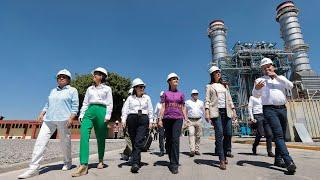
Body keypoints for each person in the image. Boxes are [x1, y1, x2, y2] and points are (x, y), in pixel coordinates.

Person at [18, 69, 79, 179]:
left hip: (64, 119)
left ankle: (67, 162)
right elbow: (47, 104)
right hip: (49, 119)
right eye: (59, 76)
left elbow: (75, 106)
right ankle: (33, 168)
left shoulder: (72, 90)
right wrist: (42, 113)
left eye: (63, 76)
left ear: (68, 79)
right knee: (40, 141)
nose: (61, 78)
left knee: (65, 143)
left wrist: (71, 118)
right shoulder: (53, 91)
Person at [252, 57, 296, 174]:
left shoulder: (280, 78)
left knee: (280, 135)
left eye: (269, 66)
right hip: (269, 110)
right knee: (279, 135)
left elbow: (290, 86)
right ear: (262, 69)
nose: (267, 68)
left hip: (282, 108)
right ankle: (288, 161)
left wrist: (276, 76)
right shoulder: (260, 80)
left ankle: (278, 159)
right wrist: (257, 89)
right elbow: (255, 95)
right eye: (265, 67)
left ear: (273, 66)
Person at [72, 67, 113, 177]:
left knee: (100, 137)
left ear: (101, 76)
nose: (93, 76)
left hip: (102, 111)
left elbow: (109, 103)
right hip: (89, 111)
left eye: (96, 74)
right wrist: (81, 114)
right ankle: (83, 164)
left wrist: (108, 115)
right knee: (84, 134)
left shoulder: (107, 89)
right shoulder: (89, 89)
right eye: (94, 74)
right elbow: (85, 103)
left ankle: (100, 160)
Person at [205, 66, 237, 170]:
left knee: (228, 133)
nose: (219, 74)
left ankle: (224, 152)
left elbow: (230, 99)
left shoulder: (224, 86)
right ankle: (221, 159)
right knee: (219, 134)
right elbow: (207, 100)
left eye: (219, 72)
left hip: (226, 111)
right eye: (216, 72)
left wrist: (233, 110)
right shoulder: (209, 86)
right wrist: (207, 112)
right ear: (212, 75)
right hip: (216, 112)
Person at [121, 78, 153, 173]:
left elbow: (150, 110)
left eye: (143, 86)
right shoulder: (130, 98)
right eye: (140, 86)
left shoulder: (147, 98)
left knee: (138, 141)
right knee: (134, 140)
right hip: (132, 119)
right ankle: (137, 160)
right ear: (135, 88)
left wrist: (151, 121)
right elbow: (125, 109)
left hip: (143, 119)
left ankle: (134, 163)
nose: (142, 88)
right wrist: (123, 120)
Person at [158, 73, 187, 174]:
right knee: (169, 141)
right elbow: (163, 107)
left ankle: (174, 164)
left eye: (177, 79)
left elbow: (183, 107)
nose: (176, 80)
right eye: (173, 79)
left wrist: (186, 119)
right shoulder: (165, 94)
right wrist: (160, 119)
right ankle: (171, 158)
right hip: (167, 118)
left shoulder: (181, 94)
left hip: (178, 118)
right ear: (169, 81)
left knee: (175, 140)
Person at [185, 89, 205, 157]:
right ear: (191, 95)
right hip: (190, 120)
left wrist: (206, 118)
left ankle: (197, 149)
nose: (195, 95)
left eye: (196, 94)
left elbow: (203, 110)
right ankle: (192, 150)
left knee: (198, 135)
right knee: (191, 134)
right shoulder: (187, 102)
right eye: (194, 94)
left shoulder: (201, 102)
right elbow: (185, 110)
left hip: (199, 120)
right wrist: (185, 119)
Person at [120, 88, 133, 161]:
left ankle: (125, 154)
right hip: (127, 123)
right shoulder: (127, 102)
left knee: (131, 140)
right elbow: (124, 112)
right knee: (129, 139)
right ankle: (132, 155)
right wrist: (123, 121)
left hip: (134, 123)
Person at [154, 91, 165, 156]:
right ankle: (161, 150)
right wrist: (155, 122)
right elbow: (155, 114)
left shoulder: (168, 103)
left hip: (167, 120)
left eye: (163, 96)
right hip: (159, 120)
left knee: (167, 135)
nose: (162, 98)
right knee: (161, 135)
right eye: (161, 97)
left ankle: (167, 147)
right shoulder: (158, 104)